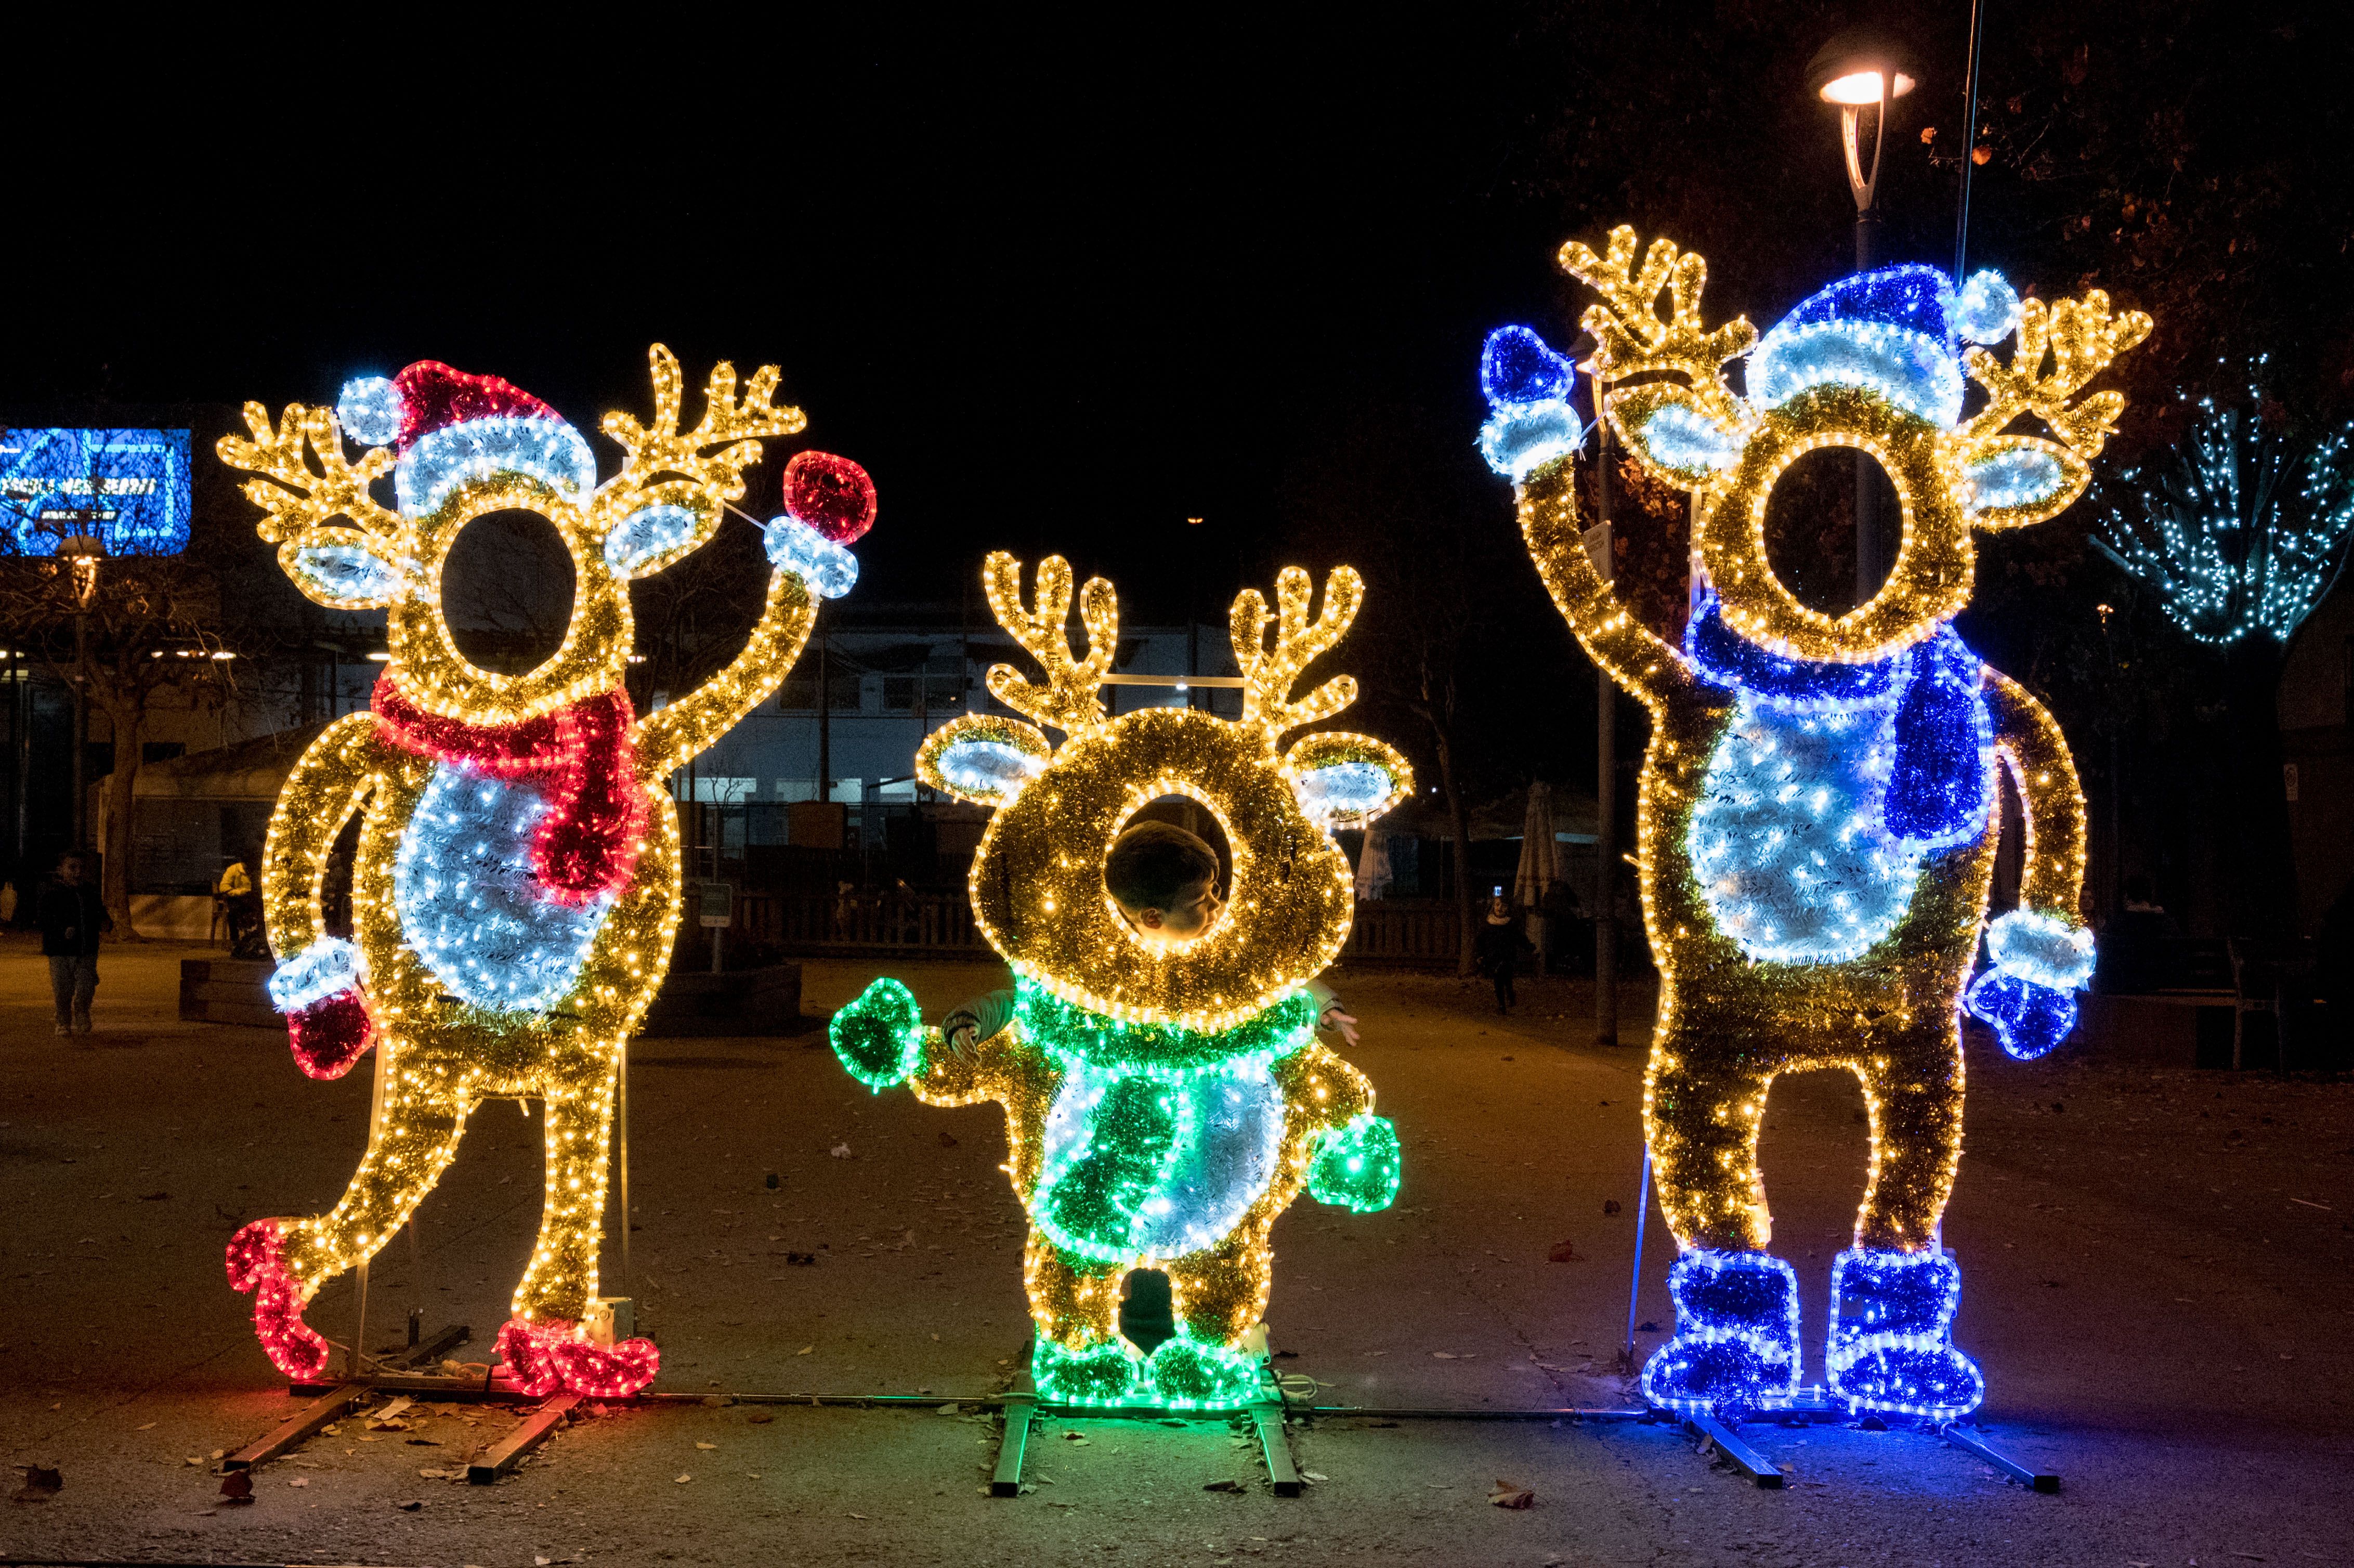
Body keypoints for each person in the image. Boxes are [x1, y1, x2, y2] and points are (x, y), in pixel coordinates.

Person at [940, 820, 1362, 1052]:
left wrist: (1323, 1006)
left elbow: (1277, 985)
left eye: (1216, 891)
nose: (1218, 906)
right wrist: (970, 1021)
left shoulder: (1223, 954)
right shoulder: (1100, 963)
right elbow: (1029, 1000)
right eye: (1202, 901)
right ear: (1154, 917)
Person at [38, 851, 111, 1037]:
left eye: (81, 868)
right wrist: (61, 931)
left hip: (87, 950)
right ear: (61, 870)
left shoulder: (90, 892)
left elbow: (100, 914)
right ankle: (63, 1021)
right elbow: (43, 920)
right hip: (60, 952)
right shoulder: (51, 893)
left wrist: (106, 923)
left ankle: (82, 1011)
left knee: (87, 986)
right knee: (63, 989)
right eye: (72, 868)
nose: (78, 872)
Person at [1474, 891, 1529, 1015]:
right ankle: (1501, 1005)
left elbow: (1520, 938)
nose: (1500, 908)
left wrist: (1529, 947)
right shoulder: (1488, 924)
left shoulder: (1511, 924)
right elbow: (1480, 940)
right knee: (1497, 980)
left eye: (1503, 906)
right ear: (1494, 906)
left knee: (1508, 979)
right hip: (1493, 957)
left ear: (1508, 908)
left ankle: (1510, 995)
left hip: (1508, 956)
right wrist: (1480, 955)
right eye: (1498, 905)